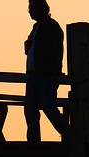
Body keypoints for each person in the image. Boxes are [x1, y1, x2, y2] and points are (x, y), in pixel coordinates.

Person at [24, 0, 69, 142]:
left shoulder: (51, 27)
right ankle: (34, 141)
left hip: (44, 75)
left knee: (48, 107)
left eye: (31, 8)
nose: (29, 11)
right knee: (30, 109)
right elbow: (30, 50)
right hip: (33, 74)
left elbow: (57, 53)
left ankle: (70, 134)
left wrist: (55, 74)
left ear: (39, 9)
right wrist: (27, 46)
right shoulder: (36, 27)